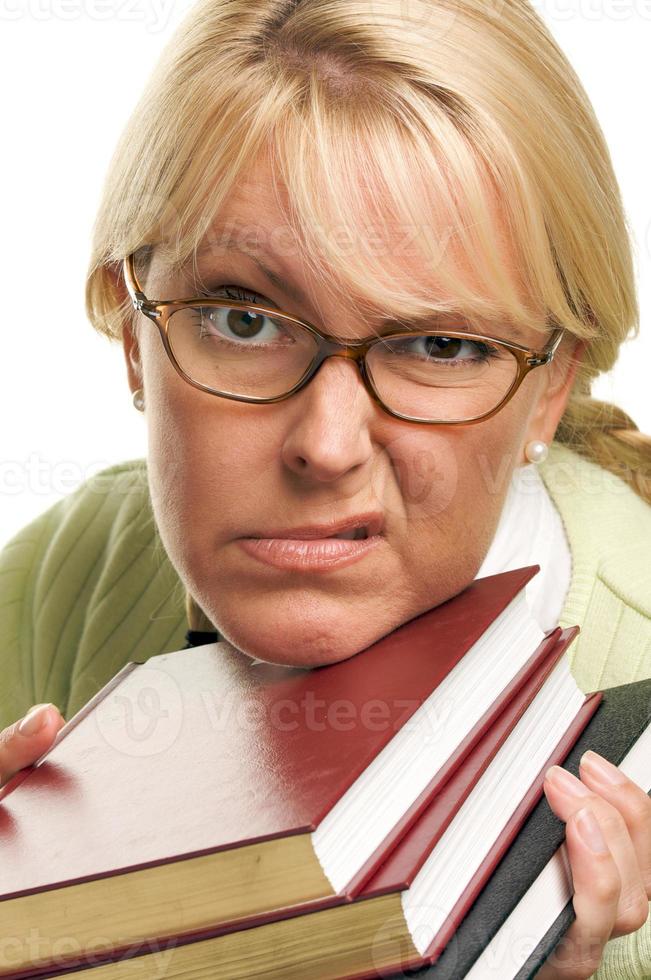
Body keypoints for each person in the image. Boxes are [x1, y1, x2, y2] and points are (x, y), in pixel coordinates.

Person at [0, 0, 650, 976]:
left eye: (441, 344)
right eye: (244, 319)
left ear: (551, 385)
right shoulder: (68, 573)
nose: (327, 445)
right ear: (128, 325)